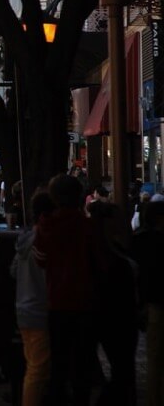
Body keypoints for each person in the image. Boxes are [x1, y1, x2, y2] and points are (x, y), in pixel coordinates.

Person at [33, 173, 104, 405]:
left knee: (59, 365)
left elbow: (40, 260)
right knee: (82, 365)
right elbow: (100, 263)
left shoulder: (46, 227)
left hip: (57, 302)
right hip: (86, 303)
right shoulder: (88, 227)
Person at [87, 200, 138, 406]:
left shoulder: (102, 249)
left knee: (122, 371)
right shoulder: (112, 255)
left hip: (112, 314)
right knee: (123, 371)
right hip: (118, 316)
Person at [10, 190, 55, 406]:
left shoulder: (25, 241)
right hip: (40, 309)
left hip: (24, 309)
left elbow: (13, 271)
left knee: (35, 366)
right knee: (38, 371)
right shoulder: (45, 239)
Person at [133, 199, 164, 406]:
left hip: (151, 305)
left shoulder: (138, 240)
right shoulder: (159, 241)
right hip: (158, 303)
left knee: (154, 358)